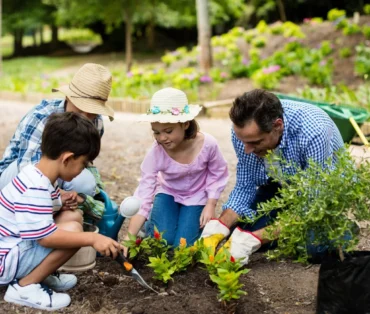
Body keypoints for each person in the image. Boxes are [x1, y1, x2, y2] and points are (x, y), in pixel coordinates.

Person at [200, 89, 344, 264]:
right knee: (239, 229)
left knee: (314, 248)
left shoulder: (313, 132)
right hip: (279, 183)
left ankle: (342, 228)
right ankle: (286, 224)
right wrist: (220, 225)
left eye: (255, 142)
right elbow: (246, 186)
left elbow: (311, 205)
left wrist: (258, 238)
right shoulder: (245, 134)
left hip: (321, 191)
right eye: (243, 141)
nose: (247, 149)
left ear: (278, 126)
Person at [0, 112, 122, 311]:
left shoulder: (35, 173)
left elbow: (41, 210)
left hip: (13, 246)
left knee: (73, 217)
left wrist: (60, 200)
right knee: (75, 233)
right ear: (67, 159)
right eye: (83, 164)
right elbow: (46, 238)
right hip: (6, 261)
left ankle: (42, 273)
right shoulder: (35, 188)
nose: (82, 170)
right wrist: (92, 239)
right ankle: (25, 286)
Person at [0, 63, 115, 223]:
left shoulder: (96, 123)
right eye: (81, 109)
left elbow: (83, 162)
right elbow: (27, 169)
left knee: (86, 183)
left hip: (61, 170)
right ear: (68, 97)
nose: (85, 117)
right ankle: (30, 214)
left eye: (92, 112)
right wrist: (57, 194)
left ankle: (55, 216)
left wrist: (83, 196)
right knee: (37, 188)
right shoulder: (41, 117)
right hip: (18, 174)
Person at [125, 87, 228, 247]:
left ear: (185, 124)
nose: (162, 138)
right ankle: (150, 221)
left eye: (168, 131)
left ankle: (169, 219)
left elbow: (217, 173)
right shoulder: (156, 152)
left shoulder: (208, 144)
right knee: (163, 241)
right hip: (168, 192)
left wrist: (210, 204)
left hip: (197, 195)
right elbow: (144, 193)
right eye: (156, 132)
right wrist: (129, 238)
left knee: (183, 246)